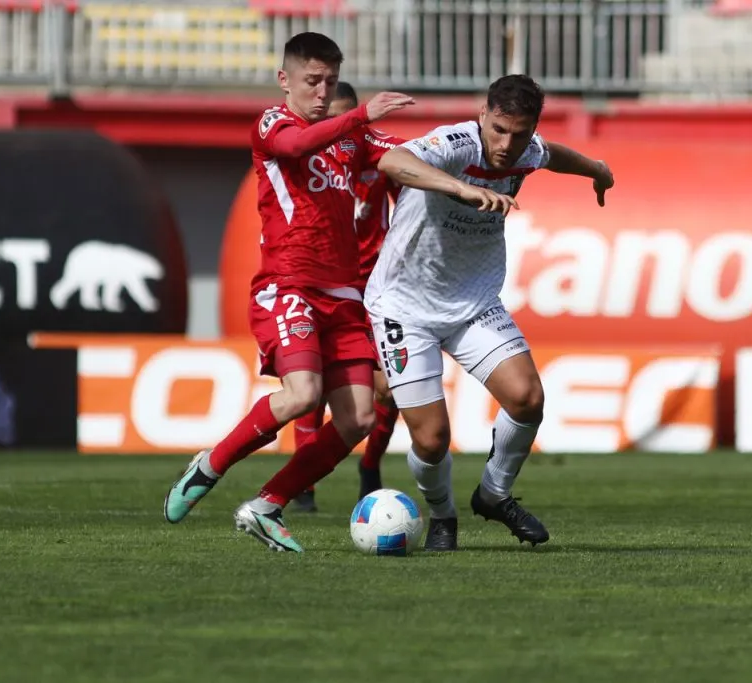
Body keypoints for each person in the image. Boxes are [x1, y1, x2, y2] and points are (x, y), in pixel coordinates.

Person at [162, 32, 414, 552]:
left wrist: (465, 179)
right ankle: (209, 465)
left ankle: (267, 505)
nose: (322, 91)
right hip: (288, 285)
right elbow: (297, 146)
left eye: (330, 81)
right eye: (312, 80)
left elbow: (405, 157)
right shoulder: (274, 124)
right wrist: (362, 114)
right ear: (285, 80)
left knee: (359, 418)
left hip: (344, 295)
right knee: (303, 396)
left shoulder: (352, 139)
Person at [366, 74, 615, 551]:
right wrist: (458, 189)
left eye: (519, 134)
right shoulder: (455, 144)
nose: (506, 145)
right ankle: (443, 517)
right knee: (433, 438)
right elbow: (392, 160)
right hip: (404, 306)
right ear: (483, 116)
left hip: (473, 301)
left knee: (527, 397)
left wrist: (597, 169)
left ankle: (494, 495)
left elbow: (554, 155)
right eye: (498, 129)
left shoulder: (527, 150)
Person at [290, 81, 403, 514]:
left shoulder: (376, 157)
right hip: (322, 281)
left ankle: (370, 465)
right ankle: (304, 483)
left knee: (389, 390)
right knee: (311, 387)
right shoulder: (305, 156)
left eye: (346, 120)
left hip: (375, 287)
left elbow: (407, 200)